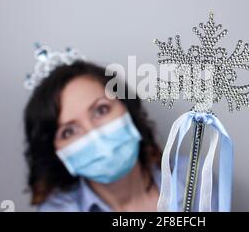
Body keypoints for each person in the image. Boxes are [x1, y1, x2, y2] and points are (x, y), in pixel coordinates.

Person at [23, 60, 163, 211]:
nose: (94, 135)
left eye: (101, 110)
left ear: (128, 108)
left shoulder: (190, 175)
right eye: (68, 132)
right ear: (55, 153)